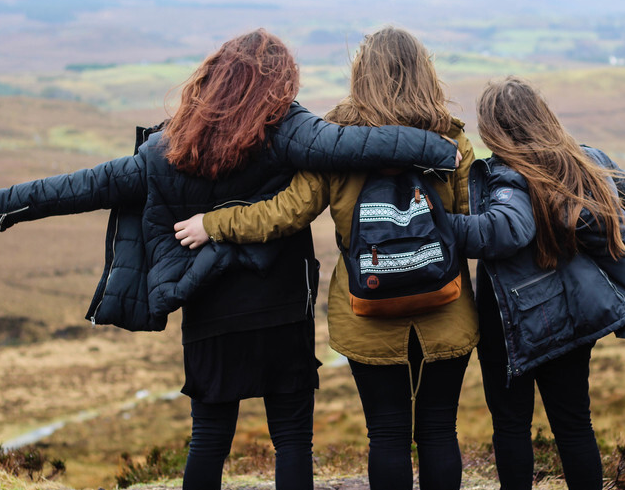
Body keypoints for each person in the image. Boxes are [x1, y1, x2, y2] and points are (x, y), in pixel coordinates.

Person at [0, 29, 458, 490]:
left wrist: (10, 202)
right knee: (293, 440)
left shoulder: (168, 149)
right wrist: (436, 146)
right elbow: (351, 145)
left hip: (208, 309)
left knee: (208, 438)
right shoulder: (286, 130)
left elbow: (87, 185)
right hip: (281, 308)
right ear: (280, 83)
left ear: (212, 81)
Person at [176, 27, 478, 490]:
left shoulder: (335, 141)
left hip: (368, 307)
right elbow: (462, 220)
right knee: (439, 429)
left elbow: (286, 214)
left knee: (388, 434)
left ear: (361, 75)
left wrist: (213, 224)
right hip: (446, 302)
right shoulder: (451, 138)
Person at [444, 76, 625, 490]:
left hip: (508, 318)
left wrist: (436, 223)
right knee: (574, 424)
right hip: (571, 316)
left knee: (511, 425)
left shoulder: (500, 177)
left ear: (493, 129)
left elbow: (498, 233)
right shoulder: (582, 164)